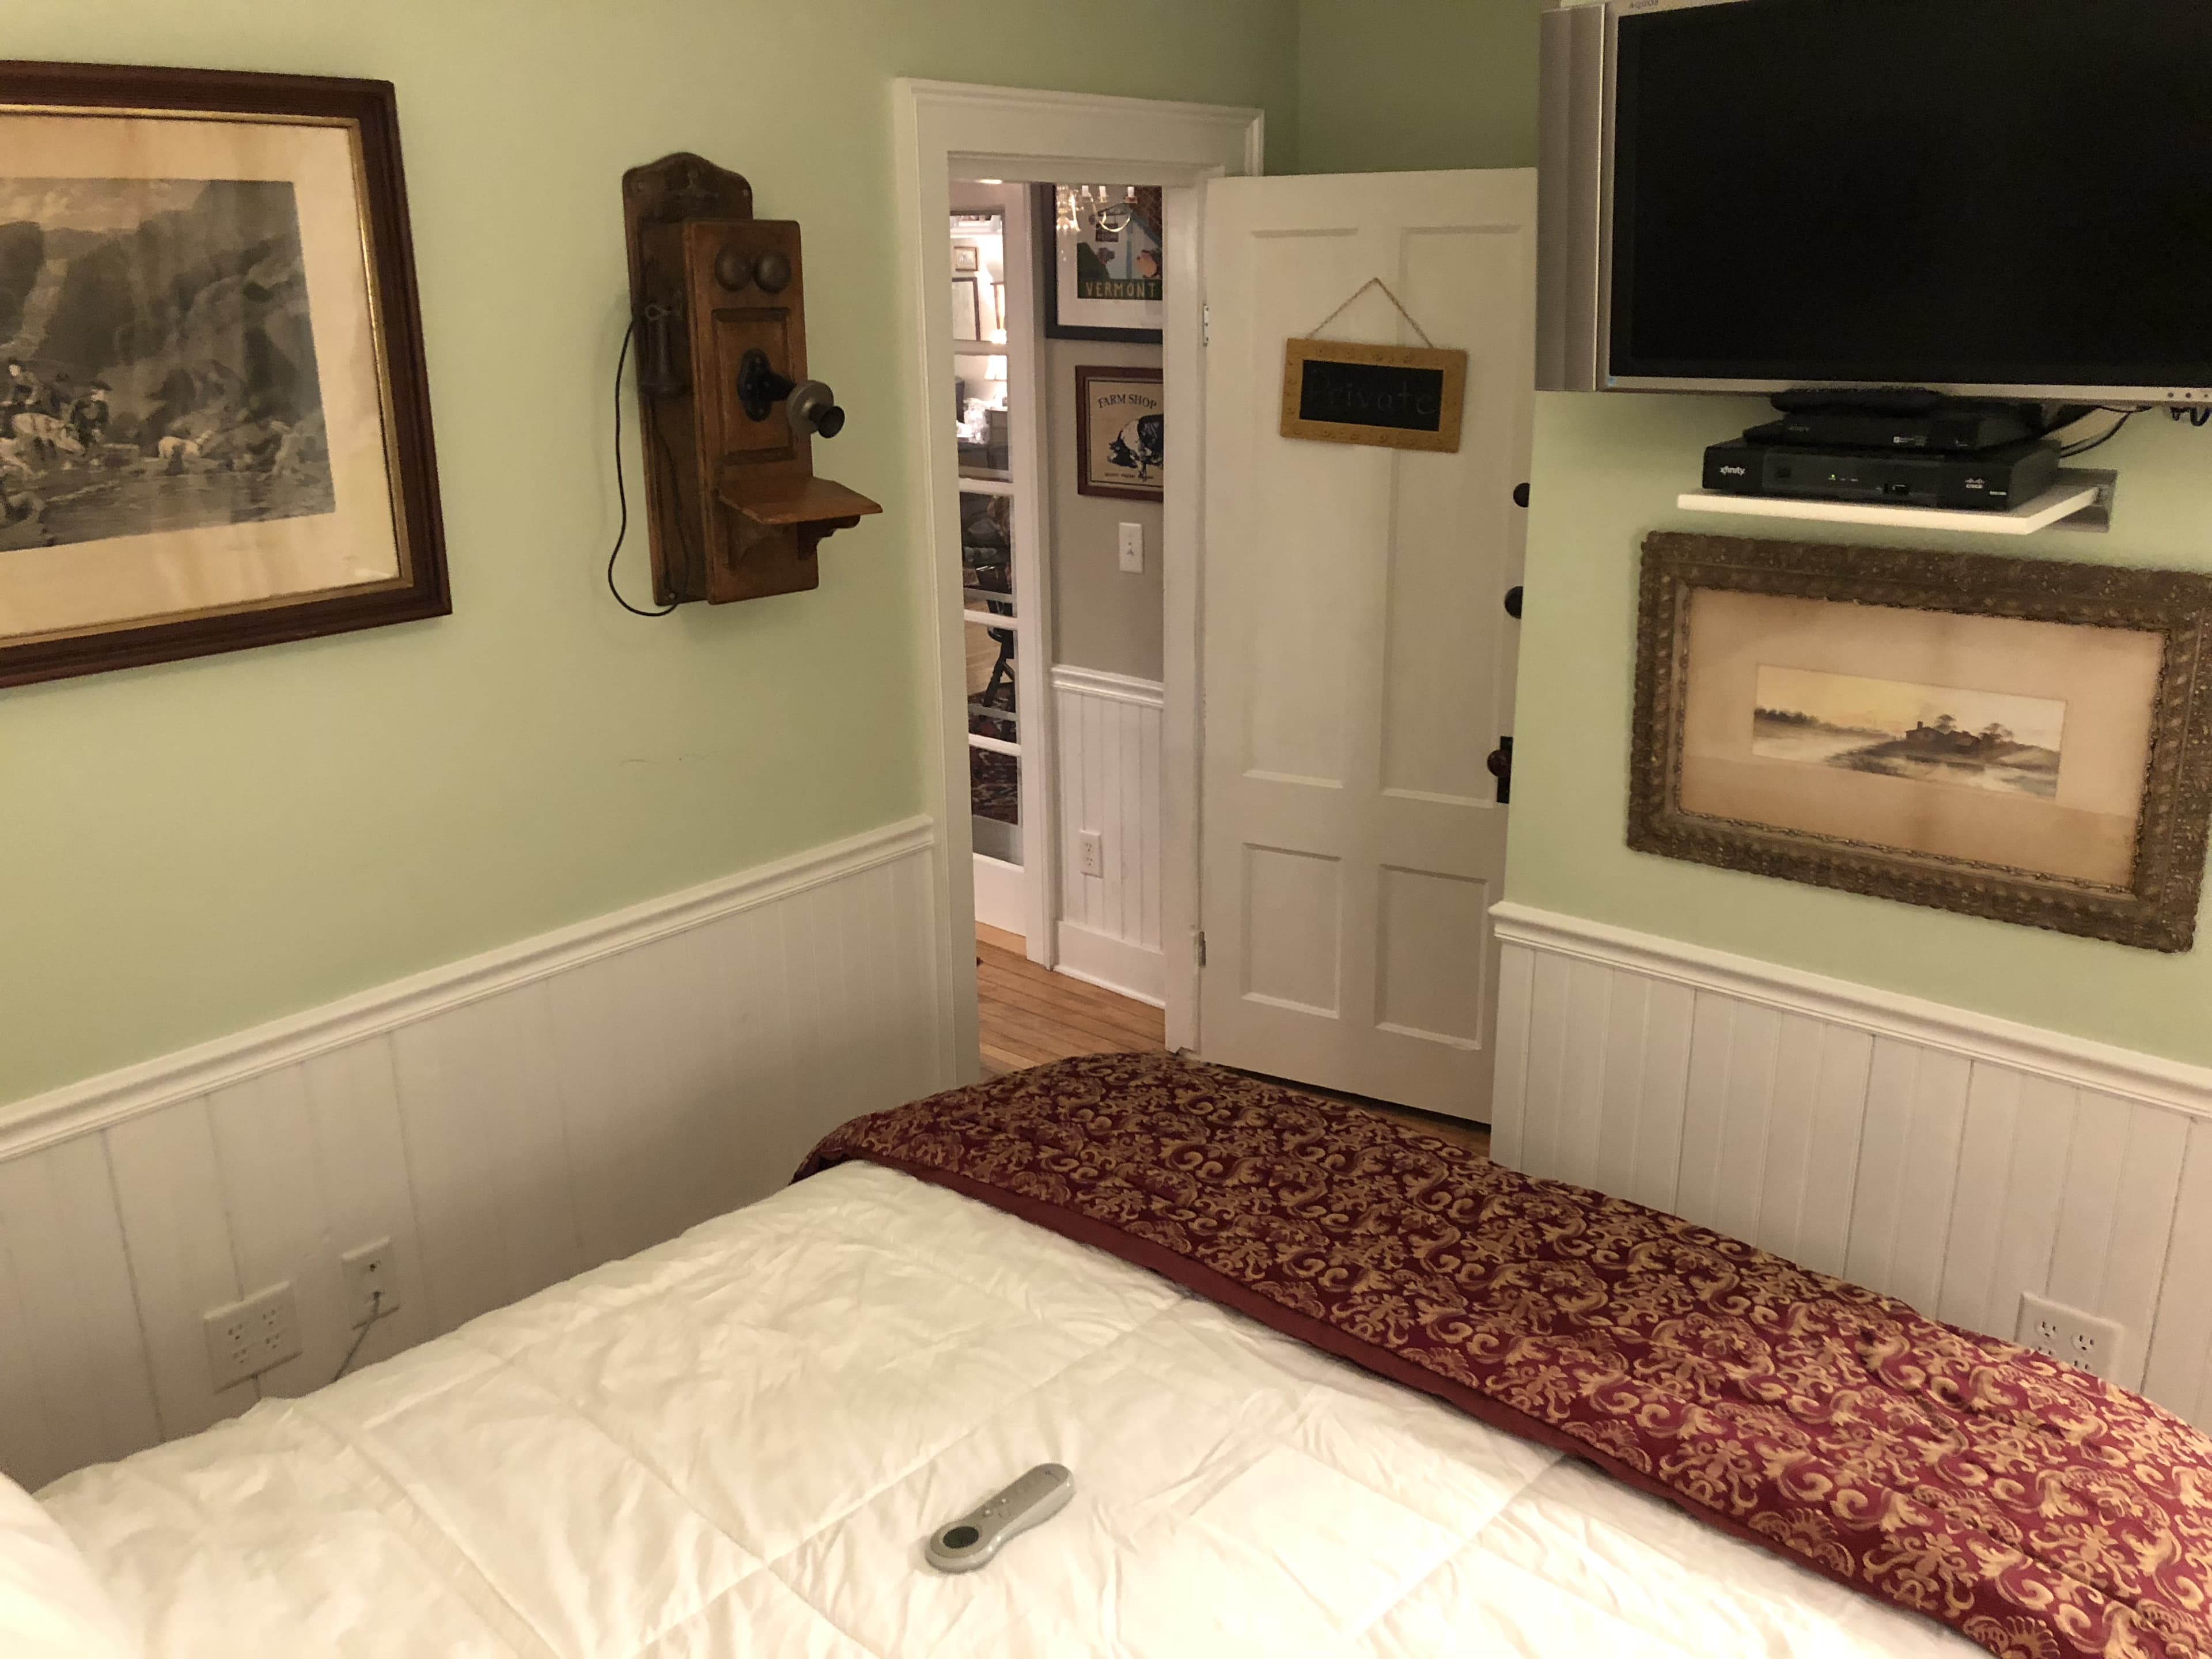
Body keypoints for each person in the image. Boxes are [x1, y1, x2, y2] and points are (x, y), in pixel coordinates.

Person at [69, 381, 110, 449]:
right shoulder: (80, 404)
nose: (106, 396)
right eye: (104, 393)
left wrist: (99, 430)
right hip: (79, 440)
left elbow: (103, 422)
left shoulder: (103, 406)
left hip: (96, 441)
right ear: (96, 391)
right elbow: (75, 423)